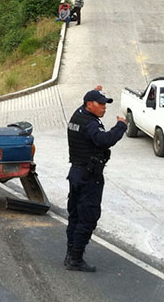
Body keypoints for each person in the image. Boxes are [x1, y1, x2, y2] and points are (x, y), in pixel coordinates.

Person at [65, 87, 126, 272]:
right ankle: (76, 259)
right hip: (89, 178)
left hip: (76, 173)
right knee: (88, 218)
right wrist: (121, 126)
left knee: (75, 216)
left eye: (105, 104)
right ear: (89, 104)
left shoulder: (77, 115)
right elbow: (104, 140)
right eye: (100, 104)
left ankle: (70, 255)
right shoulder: (91, 124)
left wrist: (94, 90)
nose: (104, 107)